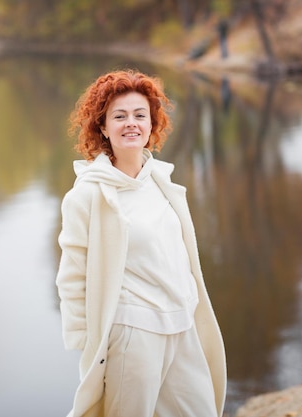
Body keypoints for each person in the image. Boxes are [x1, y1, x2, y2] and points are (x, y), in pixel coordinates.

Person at [56, 69, 226, 417]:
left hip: (182, 324)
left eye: (139, 115)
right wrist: (89, 342)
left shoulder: (162, 180)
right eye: (119, 116)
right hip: (133, 334)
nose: (130, 123)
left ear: (152, 124)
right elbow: (72, 277)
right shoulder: (87, 194)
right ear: (102, 127)